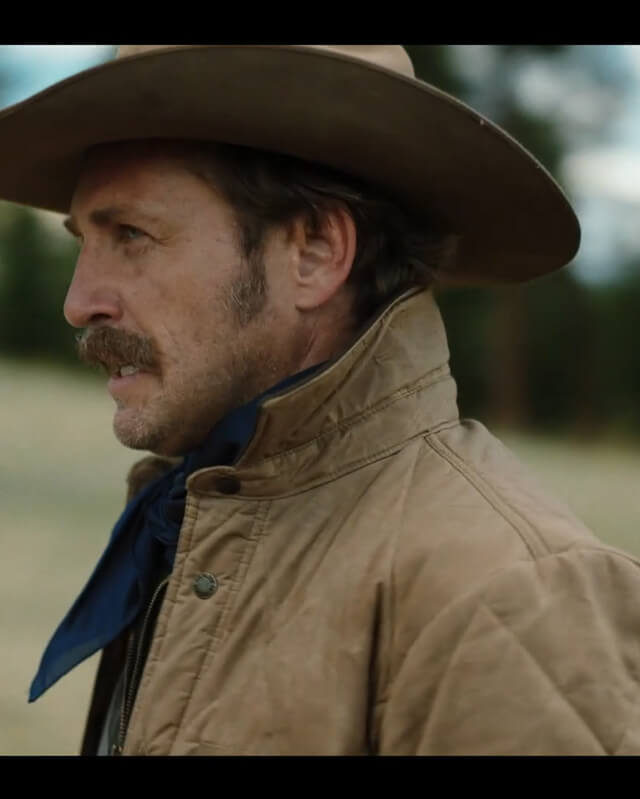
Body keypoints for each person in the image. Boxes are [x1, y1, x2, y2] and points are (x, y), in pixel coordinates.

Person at [2, 44, 639, 756]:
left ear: (314, 253)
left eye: (132, 235)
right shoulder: (194, 523)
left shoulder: (505, 596)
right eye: (84, 240)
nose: (79, 302)